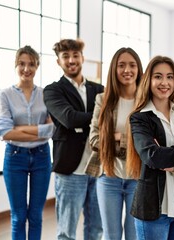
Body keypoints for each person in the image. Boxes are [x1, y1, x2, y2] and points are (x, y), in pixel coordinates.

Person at [43, 38, 104, 240]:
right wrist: (97, 117)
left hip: (98, 167)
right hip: (70, 169)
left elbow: (111, 118)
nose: (71, 60)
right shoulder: (53, 90)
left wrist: (85, 121)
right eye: (65, 56)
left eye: (75, 55)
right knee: (66, 232)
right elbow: (68, 119)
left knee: (95, 229)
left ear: (82, 58)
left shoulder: (99, 89)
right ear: (58, 61)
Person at [0, 45, 54, 240]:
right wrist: (39, 132)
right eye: (22, 64)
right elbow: (3, 130)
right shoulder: (4, 95)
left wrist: (17, 130)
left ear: (37, 66)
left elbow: (52, 130)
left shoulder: (46, 94)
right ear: (15, 65)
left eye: (31, 64)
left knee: (35, 216)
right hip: (15, 157)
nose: (26, 69)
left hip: (42, 157)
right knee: (18, 217)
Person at [126, 56, 174, 240]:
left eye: (170, 77)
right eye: (158, 76)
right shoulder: (140, 118)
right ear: (149, 80)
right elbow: (153, 156)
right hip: (154, 210)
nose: (164, 82)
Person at [85, 47, 143, 240]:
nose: (127, 70)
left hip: (137, 177)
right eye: (121, 65)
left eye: (132, 65)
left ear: (138, 69)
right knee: (111, 235)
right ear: (114, 70)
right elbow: (94, 138)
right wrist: (130, 139)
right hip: (108, 176)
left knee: (134, 235)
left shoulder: (145, 102)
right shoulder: (103, 99)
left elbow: (149, 140)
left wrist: (119, 137)